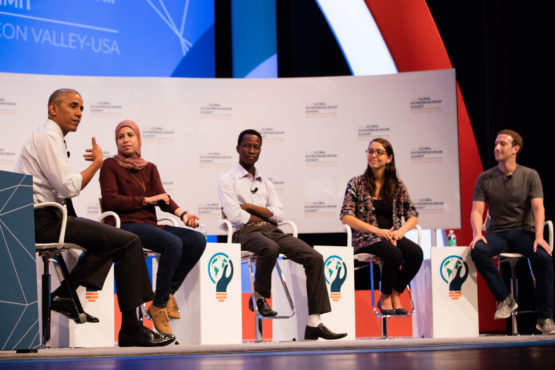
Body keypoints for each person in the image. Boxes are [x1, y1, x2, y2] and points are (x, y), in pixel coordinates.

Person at [15, 89, 174, 347]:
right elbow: (67, 187)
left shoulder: (53, 138)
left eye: (82, 108)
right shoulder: (47, 137)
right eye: (73, 106)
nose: (79, 113)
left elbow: (62, 187)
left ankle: (67, 293)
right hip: (41, 221)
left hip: (48, 218)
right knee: (129, 241)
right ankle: (131, 330)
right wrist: (97, 164)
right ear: (53, 109)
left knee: (116, 241)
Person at [217, 129, 347, 341]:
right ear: (238, 148)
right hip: (244, 233)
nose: (251, 150)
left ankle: (314, 322)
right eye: (247, 146)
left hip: (272, 230)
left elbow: (279, 214)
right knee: (270, 248)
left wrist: (250, 206)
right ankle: (258, 297)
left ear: (260, 150)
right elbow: (234, 214)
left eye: (256, 147)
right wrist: (262, 215)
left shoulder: (265, 183)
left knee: (314, 257)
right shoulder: (227, 179)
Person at [99, 120, 206, 335]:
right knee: (173, 243)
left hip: (149, 225)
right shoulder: (110, 166)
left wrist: (183, 214)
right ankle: (158, 306)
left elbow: (163, 198)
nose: (125, 139)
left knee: (197, 241)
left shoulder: (149, 168)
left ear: (138, 139)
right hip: (125, 226)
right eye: (121, 136)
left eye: (130, 135)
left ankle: (166, 294)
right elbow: (111, 201)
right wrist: (145, 200)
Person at [470, 129, 554, 334]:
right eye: (496, 144)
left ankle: (545, 317)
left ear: (515, 149)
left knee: (543, 258)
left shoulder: (529, 175)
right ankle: (505, 298)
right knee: (478, 251)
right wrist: (477, 234)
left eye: (503, 144)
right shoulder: (485, 178)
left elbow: (538, 208)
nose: (497, 148)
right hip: (497, 233)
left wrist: (539, 237)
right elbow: (477, 210)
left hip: (523, 232)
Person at [340, 138, 422, 315]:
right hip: (366, 237)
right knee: (394, 254)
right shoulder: (357, 183)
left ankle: (395, 291)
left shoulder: (397, 185)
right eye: (370, 151)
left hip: (392, 236)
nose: (373, 155)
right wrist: (377, 231)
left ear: (389, 158)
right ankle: (385, 296)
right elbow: (346, 217)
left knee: (416, 254)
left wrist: (400, 232)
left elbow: (413, 216)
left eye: (379, 152)